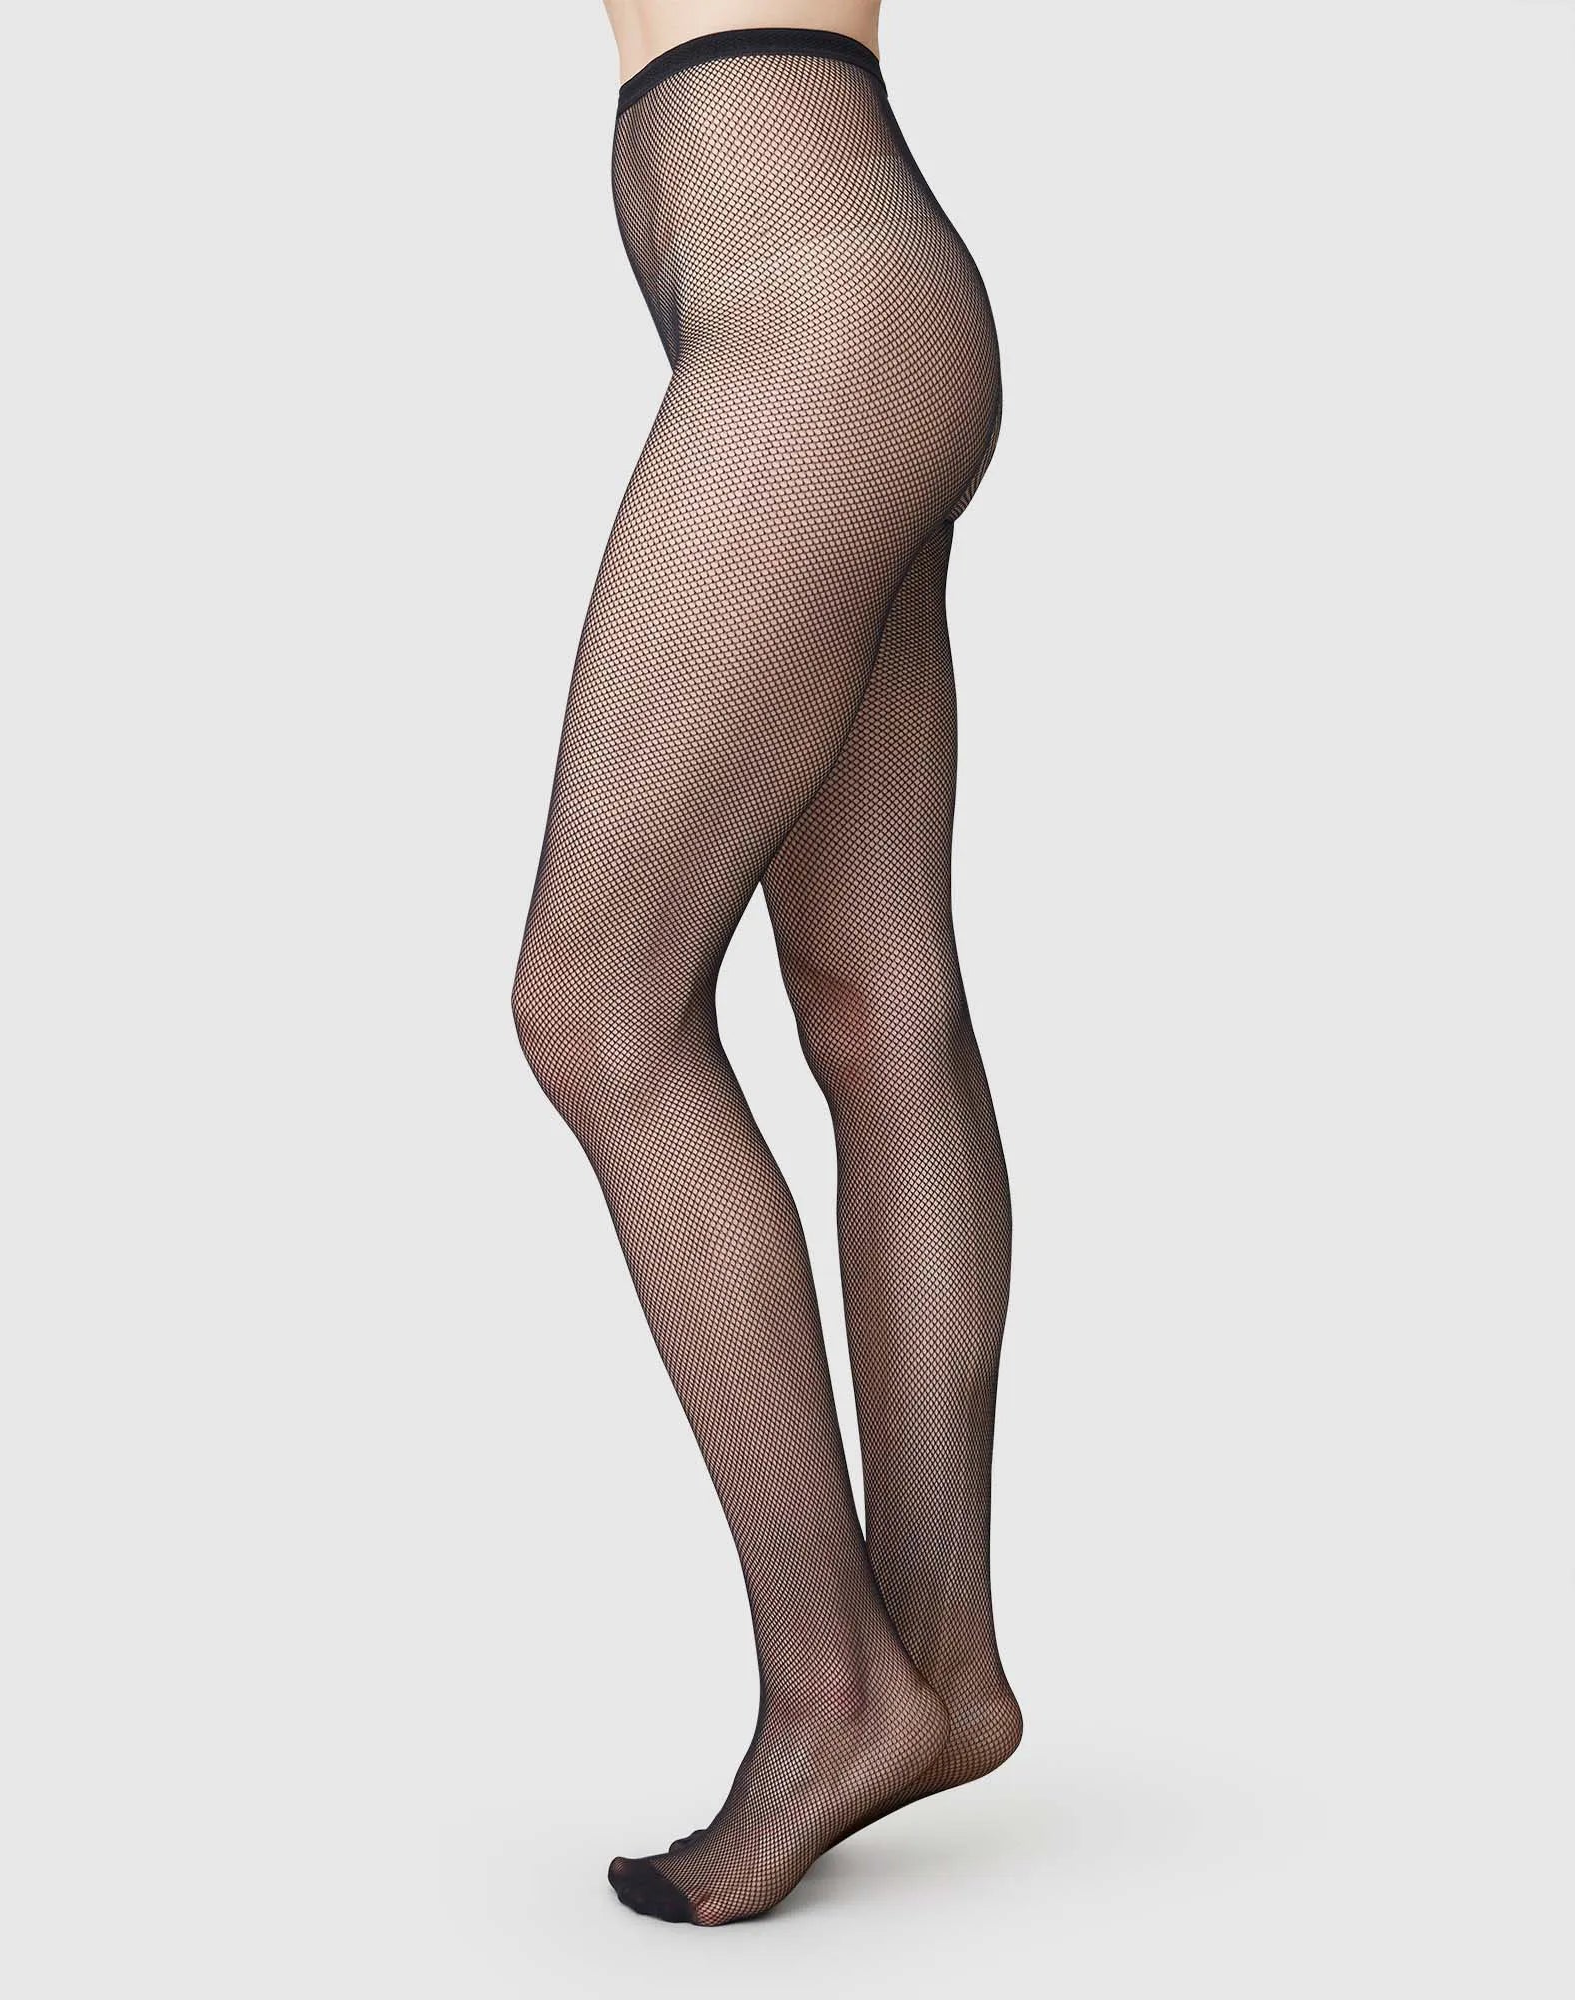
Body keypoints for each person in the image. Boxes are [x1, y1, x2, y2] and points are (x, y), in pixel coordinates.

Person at [513, 0, 1020, 1925]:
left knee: (595, 1008)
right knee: (880, 999)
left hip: (814, 321)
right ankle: (944, 1669)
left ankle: (834, 1691)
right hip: (838, 294)